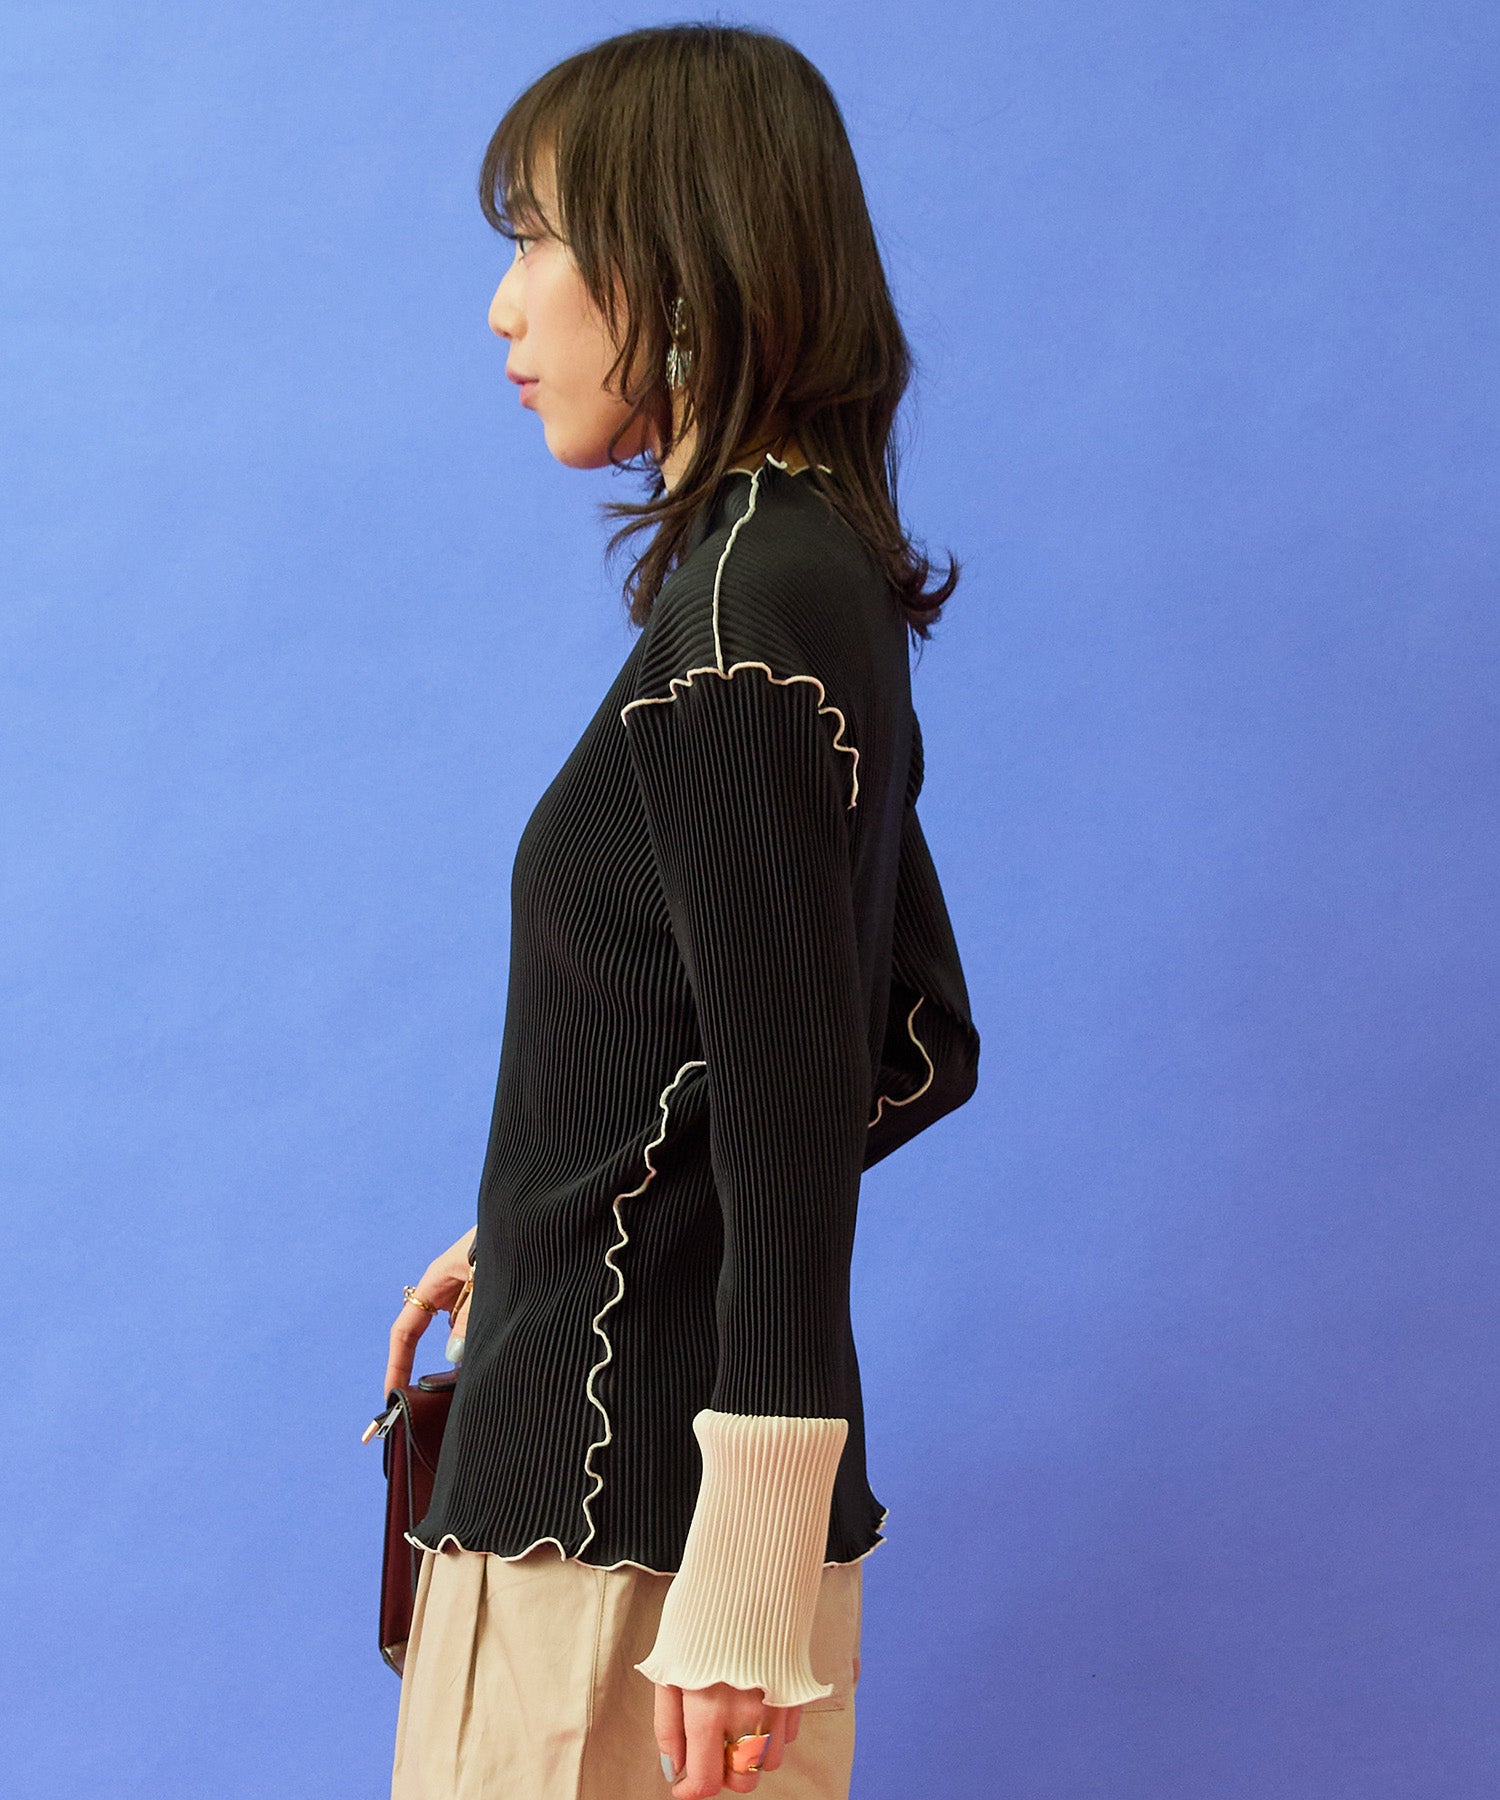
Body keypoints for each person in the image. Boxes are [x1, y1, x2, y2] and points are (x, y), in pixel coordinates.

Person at [377, 23, 981, 1800]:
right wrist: (563, 1210)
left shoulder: (741, 620)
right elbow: (909, 1042)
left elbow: (797, 1105)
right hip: (670, 1526)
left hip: (620, 1557)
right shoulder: (800, 572)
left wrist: (745, 1569)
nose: (504, 307)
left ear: (683, 258)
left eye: (537, 240)